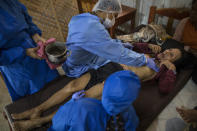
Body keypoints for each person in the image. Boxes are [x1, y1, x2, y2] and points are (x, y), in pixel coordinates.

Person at [10, 39, 192, 130]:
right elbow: (130, 46)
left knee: (82, 100)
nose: (167, 53)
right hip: (108, 66)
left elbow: (165, 88)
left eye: (172, 55)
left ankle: (38, 121)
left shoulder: (165, 71)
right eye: (169, 49)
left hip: (117, 79)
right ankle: (37, 109)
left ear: (174, 63)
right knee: (72, 86)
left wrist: (171, 69)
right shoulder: (151, 53)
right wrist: (147, 46)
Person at [62, 0, 157, 77]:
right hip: (78, 66)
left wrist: (119, 43)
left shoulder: (82, 18)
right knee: (119, 62)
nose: (114, 20)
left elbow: (99, 43)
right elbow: (118, 54)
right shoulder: (93, 28)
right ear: (109, 9)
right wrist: (144, 60)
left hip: (73, 59)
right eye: (114, 16)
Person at [0, 0, 59, 101]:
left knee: (55, 87)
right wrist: (24, 52)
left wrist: (35, 35)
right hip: (16, 65)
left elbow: (25, 15)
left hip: (34, 51)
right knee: (36, 98)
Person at [173, 0, 197, 84]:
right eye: (192, 9)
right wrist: (189, 49)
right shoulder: (184, 22)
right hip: (185, 54)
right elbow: (174, 43)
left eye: (196, 10)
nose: (192, 12)